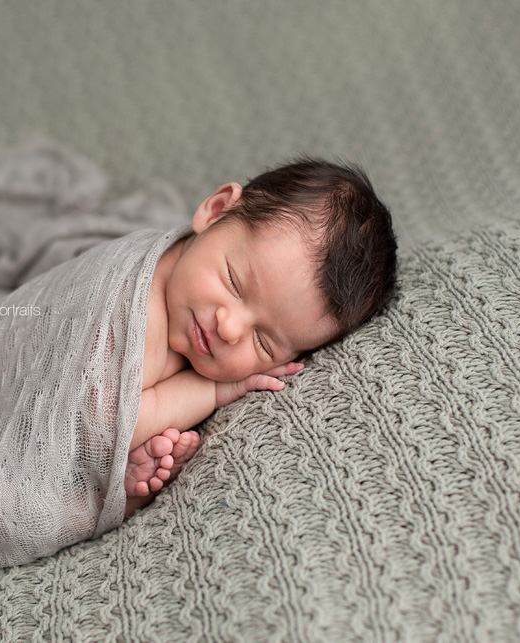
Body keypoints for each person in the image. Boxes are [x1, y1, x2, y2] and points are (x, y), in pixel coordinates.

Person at [121, 158, 398, 518]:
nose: (229, 329)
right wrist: (209, 392)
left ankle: (119, 489)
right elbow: (99, 425)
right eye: (233, 282)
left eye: (263, 343)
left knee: (127, 485)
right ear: (216, 211)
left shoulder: (193, 294)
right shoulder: (137, 310)